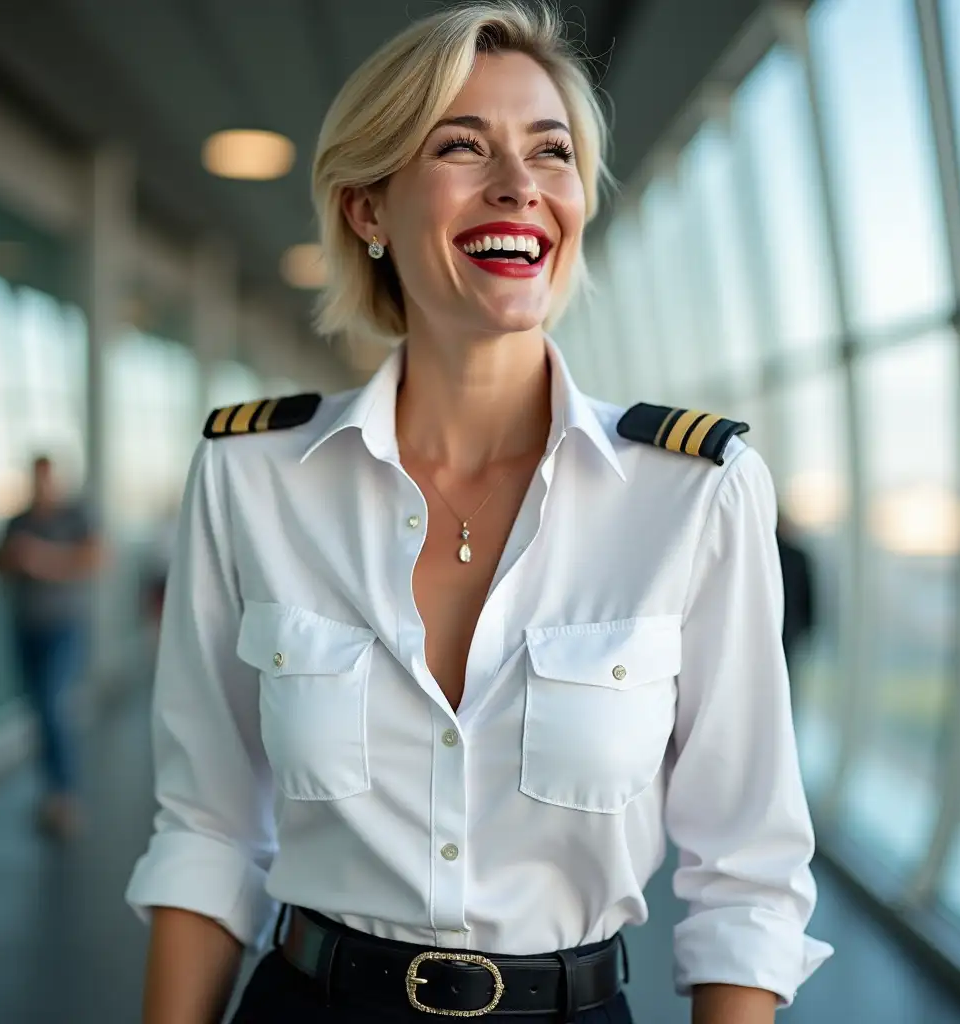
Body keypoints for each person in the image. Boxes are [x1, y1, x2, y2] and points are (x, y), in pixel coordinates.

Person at [126, 4, 832, 1022]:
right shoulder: (252, 473)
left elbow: (746, 871)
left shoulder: (693, 490)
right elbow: (204, 825)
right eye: (461, 146)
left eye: (551, 152)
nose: (519, 186)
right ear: (367, 207)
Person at [0, 454, 106, 838]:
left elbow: (95, 558)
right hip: (25, 627)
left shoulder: (75, 516)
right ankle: (53, 793)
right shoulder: (18, 521)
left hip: (64, 626)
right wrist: (14, 559)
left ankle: (64, 795)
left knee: (53, 706)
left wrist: (42, 559)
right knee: (40, 710)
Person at [776, 511, 816, 714]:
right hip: (790, 631)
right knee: (785, 687)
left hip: (776, 630)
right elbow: (810, 600)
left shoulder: (766, 555)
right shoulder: (798, 556)